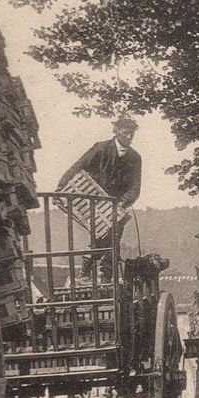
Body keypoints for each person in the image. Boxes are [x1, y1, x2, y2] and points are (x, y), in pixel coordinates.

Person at [57, 114, 142, 278]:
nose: (129, 136)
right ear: (116, 131)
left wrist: (123, 203)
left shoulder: (134, 157)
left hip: (117, 204)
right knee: (107, 231)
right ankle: (94, 269)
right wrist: (62, 185)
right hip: (95, 201)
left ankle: (99, 271)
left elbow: (135, 187)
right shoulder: (101, 148)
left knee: (115, 228)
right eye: (125, 132)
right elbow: (79, 166)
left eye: (132, 133)